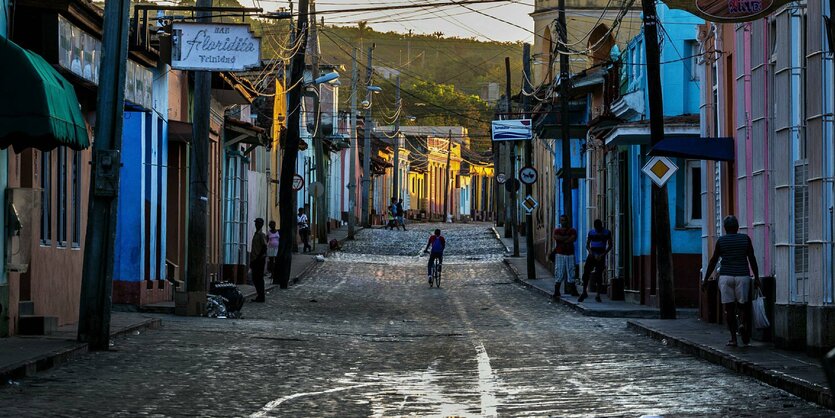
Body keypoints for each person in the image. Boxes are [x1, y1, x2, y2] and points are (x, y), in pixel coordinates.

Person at [703, 215, 761, 347]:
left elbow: (713, 260)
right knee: (743, 306)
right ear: (737, 227)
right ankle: (742, 324)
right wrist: (757, 277)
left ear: (724, 228)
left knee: (729, 308)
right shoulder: (745, 239)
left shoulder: (721, 241)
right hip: (742, 276)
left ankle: (733, 339)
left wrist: (706, 279)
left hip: (725, 276)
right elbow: (752, 259)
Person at [579, 219, 612, 303]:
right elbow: (587, 244)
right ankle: (584, 291)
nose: (598, 230)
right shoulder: (591, 233)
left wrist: (603, 255)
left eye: (599, 228)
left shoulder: (607, 232)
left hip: (601, 255)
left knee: (599, 274)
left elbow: (610, 245)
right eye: (596, 228)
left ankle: (598, 295)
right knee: (586, 272)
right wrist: (591, 253)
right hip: (592, 255)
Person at [552, 214, 578, 299]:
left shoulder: (572, 230)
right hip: (560, 254)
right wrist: (567, 238)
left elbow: (573, 238)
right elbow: (556, 237)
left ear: (567, 221)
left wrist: (562, 239)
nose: (563, 221)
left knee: (571, 271)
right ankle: (557, 290)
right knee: (559, 271)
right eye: (562, 220)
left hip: (570, 253)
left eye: (564, 220)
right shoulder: (557, 230)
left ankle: (573, 290)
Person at [250, 218, 268, 303]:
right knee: (255, 278)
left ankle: (261, 296)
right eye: (256, 223)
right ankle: (259, 295)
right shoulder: (256, 234)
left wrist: (258, 258)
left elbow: (264, 247)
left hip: (259, 260)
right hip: (255, 258)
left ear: (261, 224)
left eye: (258, 223)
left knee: (258, 278)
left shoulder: (261, 234)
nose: (256, 224)